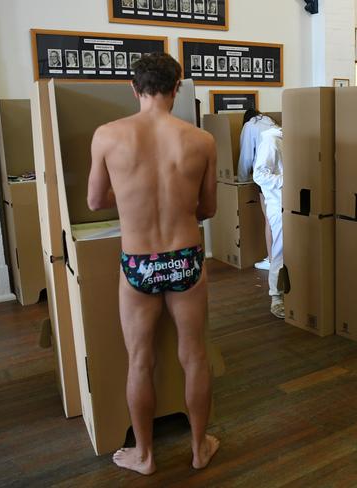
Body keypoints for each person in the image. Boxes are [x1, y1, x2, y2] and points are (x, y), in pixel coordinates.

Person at [87, 52, 219, 475]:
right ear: (177, 88)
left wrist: (129, 200)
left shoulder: (108, 135)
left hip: (138, 262)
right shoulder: (201, 140)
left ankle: (144, 456)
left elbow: (94, 201)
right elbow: (209, 208)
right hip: (185, 258)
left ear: (133, 86)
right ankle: (200, 448)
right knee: (194, 356)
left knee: (140, 360)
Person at [238, 109, 278, 271]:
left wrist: (241, 179)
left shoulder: (249, 126)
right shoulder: (272, 122)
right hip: (282, 176)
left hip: (266, 177)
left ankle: (272, 260)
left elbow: (246, 156)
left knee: (269, 219)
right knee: (279, 218)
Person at [253, 126, 285, 319]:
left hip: (296, 203)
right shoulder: (271, 141)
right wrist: (288, 180)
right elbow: (259, 175)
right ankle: (276, 297)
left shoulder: (293, 140)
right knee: (280, 251)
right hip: (279, 204)